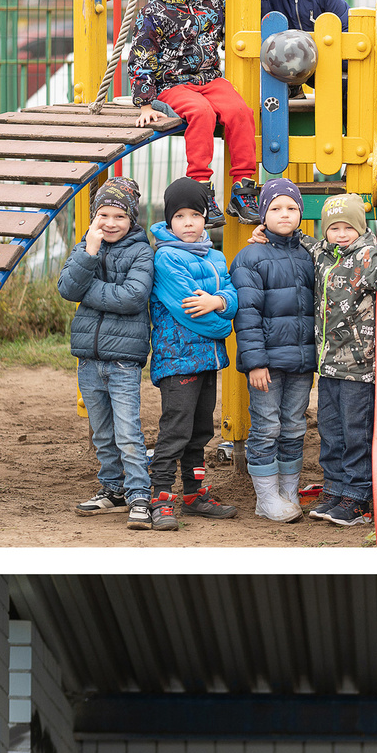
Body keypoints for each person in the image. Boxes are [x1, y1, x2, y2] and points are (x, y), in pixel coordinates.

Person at [131, 0, 261, 227]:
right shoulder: (155, 11)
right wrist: (144, 103)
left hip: (209, 79)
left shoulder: (212, 4)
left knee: (241, 112)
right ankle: (201, 187)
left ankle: (243, 186)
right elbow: (142, 56)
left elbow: (234, 26)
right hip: (172, 83)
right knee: (201, 113)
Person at [60, 175, 156, 527]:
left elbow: (133, 297)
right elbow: (67, 287)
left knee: (127, 431)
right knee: (101, 431)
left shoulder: (142, 251)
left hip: (123, 360)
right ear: (93, 217)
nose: (111, 223)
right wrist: (89, 252)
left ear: (132, 219)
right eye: (104, 215)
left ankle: (139, 495)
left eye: (119, 216)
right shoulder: (86, 246)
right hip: (88, 358)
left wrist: (87, 291)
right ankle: (112, 488)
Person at [145, 176, 240, 529]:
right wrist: (223, 321)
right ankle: (161, 497)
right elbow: (193, 314)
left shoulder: (216, 256)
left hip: (208, 361)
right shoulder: (167, 258)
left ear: (205, 217)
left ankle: (193, 493)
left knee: (200, 431)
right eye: (180, 216)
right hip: (179, 359)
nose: (188, 223)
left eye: (195, 215)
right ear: (169, 220)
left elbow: (233, 296)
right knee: (176, 429)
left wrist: (218, 301)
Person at [308, 190, 377, 531]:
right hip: (328, 363)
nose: (340, 233)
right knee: (331, 430)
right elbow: (301, 241)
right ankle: (335, 489)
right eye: (333, 228)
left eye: (347, 227)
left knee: (355, 431)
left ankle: (358, 493)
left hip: (359, 365)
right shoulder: (321, 253)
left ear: (360, 227)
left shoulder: (368, 258)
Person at [233, 178, 320, 524]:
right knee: (267, 426)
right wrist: (254, 362)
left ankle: (287, 492)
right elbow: (248, 314)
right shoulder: (250, 257)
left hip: (301, 361)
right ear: (261, 214)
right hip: (267, 362)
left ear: (300, 213)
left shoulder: (309, 253)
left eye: (291, 208)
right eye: (275, 208)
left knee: (295, 426)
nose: (284, 214)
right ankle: (266, 497)